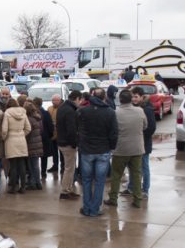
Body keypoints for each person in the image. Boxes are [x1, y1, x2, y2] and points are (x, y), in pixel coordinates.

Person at [77, 89, 118, 217]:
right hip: (103, 150)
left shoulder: (83, 111)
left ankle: (87, 207)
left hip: (87, 150)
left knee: (87, 180)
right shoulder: (110, 112)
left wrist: (81, 142)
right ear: (104, 97)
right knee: (100, 181)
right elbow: (114, 133)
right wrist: (111, 147)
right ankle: (94, 209)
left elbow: (77, 128)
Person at [105, 89, 147, 208]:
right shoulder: (140, 111)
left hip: (120, 149)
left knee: (116, 175)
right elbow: (145, 126)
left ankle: (113, 198)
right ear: (131, 99)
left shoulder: (115, 113)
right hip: (137, 148)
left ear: (120, 100)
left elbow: (112, 131)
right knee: (136, 174)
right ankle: (137, 199)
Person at [123, 87, 157, 198]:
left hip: (143, 144)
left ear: (142, 97)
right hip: (134, 144)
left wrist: (140, 136)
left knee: (144, 167)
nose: (134, 99)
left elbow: (151, 128)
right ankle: (131, 187)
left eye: (136, 97)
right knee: (133, 167)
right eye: (132, 96)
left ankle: (145, 189)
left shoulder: (147, 109)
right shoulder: (134, 108)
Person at [56, 91, 83, 200]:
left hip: (62, 141)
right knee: (69, 168)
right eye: (80, 100)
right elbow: (71, 130)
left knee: (69, 167)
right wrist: (74, 143)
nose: (80, 103)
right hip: (67, 143)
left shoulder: (63, 107)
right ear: (76, 98)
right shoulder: (70, 110)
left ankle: (69, 189)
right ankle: (65, 191)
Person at [1, 98, 31, 194]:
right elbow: (28, 128)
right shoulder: (23, 112)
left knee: (13, 165)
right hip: (21, 140)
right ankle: (23, 187)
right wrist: (22, 134)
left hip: (11, 140)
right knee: (22, 164)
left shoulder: (7, 113)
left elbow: (4, 130)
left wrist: (4, 138)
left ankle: (13, 187)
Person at [24, 102, 44, 190]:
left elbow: (27, 133)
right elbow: (41, 131)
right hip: (38, 144)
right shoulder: (38, 118)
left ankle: (33, 182)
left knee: (31, 165)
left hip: (30, 144)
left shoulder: (28, 119)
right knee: (35, 164)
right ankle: (37, 182)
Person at [47, 94, 62, 176]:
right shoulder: (49, 108)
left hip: (60, 134)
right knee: (54, 151)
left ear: (60, 100)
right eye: (53, 100)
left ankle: (63, 166)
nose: (54, 102)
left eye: (56, 100)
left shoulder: (62, 108)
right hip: (52, 134)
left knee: (62, 151)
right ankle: (55, 165)